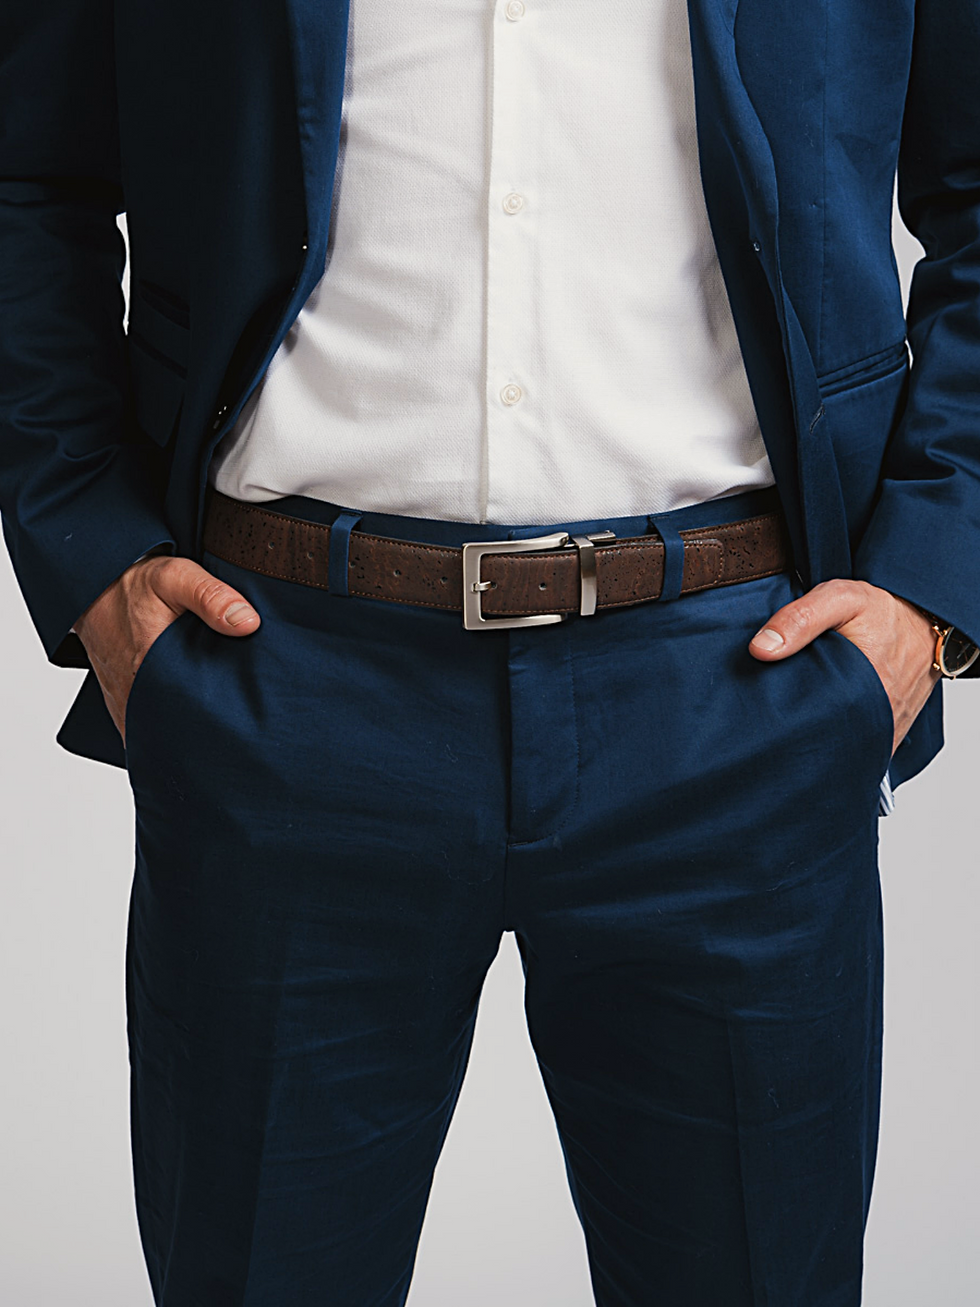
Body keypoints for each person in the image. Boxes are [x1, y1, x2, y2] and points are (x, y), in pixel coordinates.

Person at [2, 2, 978, 1303]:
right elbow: (26, 174)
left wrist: (926, 585)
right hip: (282, 684)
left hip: (736, 692)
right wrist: (91, 555)